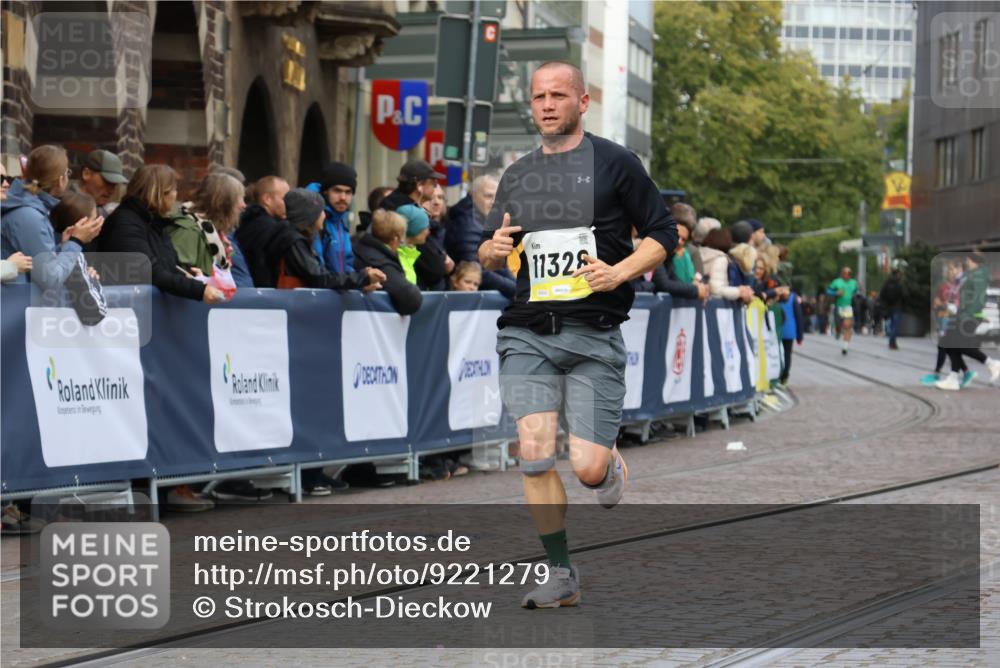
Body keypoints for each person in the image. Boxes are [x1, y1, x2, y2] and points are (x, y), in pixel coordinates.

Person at [478, 61, 676, 609]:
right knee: (535, 454)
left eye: (558, 95)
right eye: (539, 96)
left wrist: (620, 272)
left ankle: (609, 462)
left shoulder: (616, 163)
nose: (546, 105)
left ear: (582, 103)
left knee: (586, 470)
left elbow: (663, 232)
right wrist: (489, 252)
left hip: (593, 331)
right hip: (527, 330)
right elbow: (493, 244)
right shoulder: (518, 173)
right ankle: (561, 572)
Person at [97, 164, 226, 304]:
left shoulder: (154, 223)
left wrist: (193, 277)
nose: (176, 195)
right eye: (175, 190)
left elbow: (168, 266)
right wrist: (198, 290)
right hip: (126, 313)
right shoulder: (126, 223)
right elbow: (147, 270)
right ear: (161, 192)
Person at [2, 146, 103, 291]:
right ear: (61, 180)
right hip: (11, 304)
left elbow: (34, 262)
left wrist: (63, 246)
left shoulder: (28, 208)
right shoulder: (29, 216)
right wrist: (76, 242)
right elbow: (50, 280)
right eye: (68, 172)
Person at [272, 188, 384, 292]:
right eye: (321, 211)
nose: (324, 215)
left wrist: (360, 282)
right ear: (310, 217)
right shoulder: (295, 241)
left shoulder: (300, 238)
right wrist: (362, 277)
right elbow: (320, 279)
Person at [936, 251, 1000, 390]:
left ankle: (991, 363)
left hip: (970, 316)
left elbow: (979, 299)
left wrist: (966, 314)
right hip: (962, 314)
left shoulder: (979, 276)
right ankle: (953, 377)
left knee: (960, 345)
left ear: (973, 261)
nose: (967, 263)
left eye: (968, 261)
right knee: (948, 342)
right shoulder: (973, 275)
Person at [448, 175, 516, 298]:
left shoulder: (485, 221)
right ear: (473, 196)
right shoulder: (467, 224)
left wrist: (518, 288)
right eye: (489, 196)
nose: (494, 202)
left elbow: (498, 265)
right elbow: (477, 271)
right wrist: (515, 291)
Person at [165, 173, 245, 278]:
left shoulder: (215, 232)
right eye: (239, 199)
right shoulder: (188, 231)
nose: (243, 205)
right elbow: (175, 275)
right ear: (223, 203)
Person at [353, 209, 423, 315]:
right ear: (395, 239)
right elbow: (410, 298)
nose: (401, 243)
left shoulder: (360, 247)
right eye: (401, 238)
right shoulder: (382, 263)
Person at [235, 175, 291, 287]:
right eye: (285, 199)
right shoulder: (270, 228)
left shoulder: (247, 222)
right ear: (267, 199)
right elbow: (262, 266)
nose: (289, 204)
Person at [306, 161, 357, 275]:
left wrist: (361, 280)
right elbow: (318, 270)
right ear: (325, 192)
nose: (343, 197)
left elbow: (347, 264)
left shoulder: (341, 219)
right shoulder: (314, 218)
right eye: (337, 190)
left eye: (348, 192)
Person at [922, 260, 963, 386]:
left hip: (954, 320)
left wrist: (947, 305)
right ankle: (958, 372)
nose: (950, 272)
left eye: (953, 269)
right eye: (949, 270)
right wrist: (940, 304)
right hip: (943, 318)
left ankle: (941, 373)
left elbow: (959, 304)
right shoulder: (944, 286)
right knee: (947, 347)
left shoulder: (960, 287)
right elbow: (936, 302)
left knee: (947, 347)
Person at [396, 203, 447, 290]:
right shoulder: (397, 256)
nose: (428, 232)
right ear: (414, 229)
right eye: (424, 228)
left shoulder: (411, 254)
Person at [700, 228, 753, 303]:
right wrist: (739, 292)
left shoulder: (698, 253)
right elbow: (716, 289)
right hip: (713, 304)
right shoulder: (720, 259)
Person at [419, 183, 454, 289]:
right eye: (430, 198)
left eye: (440, 197)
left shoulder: (451, 227)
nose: (436, 202)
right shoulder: (417, 229)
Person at [76, 149, 128, 218]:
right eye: (107, 181)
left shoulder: (103, 210)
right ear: (86, 174)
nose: (111, 190)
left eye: (115, 184)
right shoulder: (68, 207)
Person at [827, 266, 858, 354]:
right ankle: (837, 331)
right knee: (839, 326)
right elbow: (828, 291)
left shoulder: (853, 282)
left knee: (847, 325)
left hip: (848, 307)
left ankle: (845, 347)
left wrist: (856, 295)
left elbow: (856, 291)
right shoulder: (836, 282)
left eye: (850, 274)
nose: (848, 275)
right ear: (842, 274)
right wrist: (836, 293)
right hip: (838, 307)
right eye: (846, 273)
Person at [779, 284, 804, 386]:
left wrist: (800, 335)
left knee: (781, 353)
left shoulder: (777, 297)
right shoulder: (793, 298)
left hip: (779, 330)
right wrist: (799, 336)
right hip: (789, 331)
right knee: (787, 354)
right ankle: (784, 376)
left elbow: (798, 317)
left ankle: (781, 375)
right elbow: (799, 317)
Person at [879, 268, 904, 350]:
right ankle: (892, 343)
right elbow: (902, 296)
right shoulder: (899, 284)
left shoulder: (886, 284)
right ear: (897, 275)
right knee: (895, 326)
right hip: (897, 308)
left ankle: (892, 343)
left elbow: (882, 296)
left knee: (891, 326)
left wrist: (884, 306)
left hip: (888, 308)